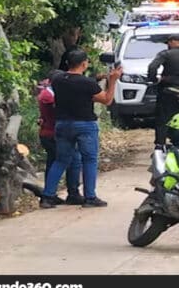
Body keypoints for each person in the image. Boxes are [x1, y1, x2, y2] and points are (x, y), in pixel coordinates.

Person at [40, 50, 122, 209]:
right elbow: (106, 100)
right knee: (89, 160)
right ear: (84, 64)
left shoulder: (57, 80)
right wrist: (113, 81)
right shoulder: (87, 83)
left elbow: (73, 85)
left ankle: (47, 196)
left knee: (61, 160)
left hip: (62, 124)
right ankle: (90, 197)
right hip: (84, 124)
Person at [37, 70, 84, 205]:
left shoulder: (47, 93)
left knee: (53, 162)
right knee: (73, 160)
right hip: (54, 133)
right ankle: (62, 194)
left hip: (49, 132)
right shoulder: (49, 95)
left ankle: (51, 193)